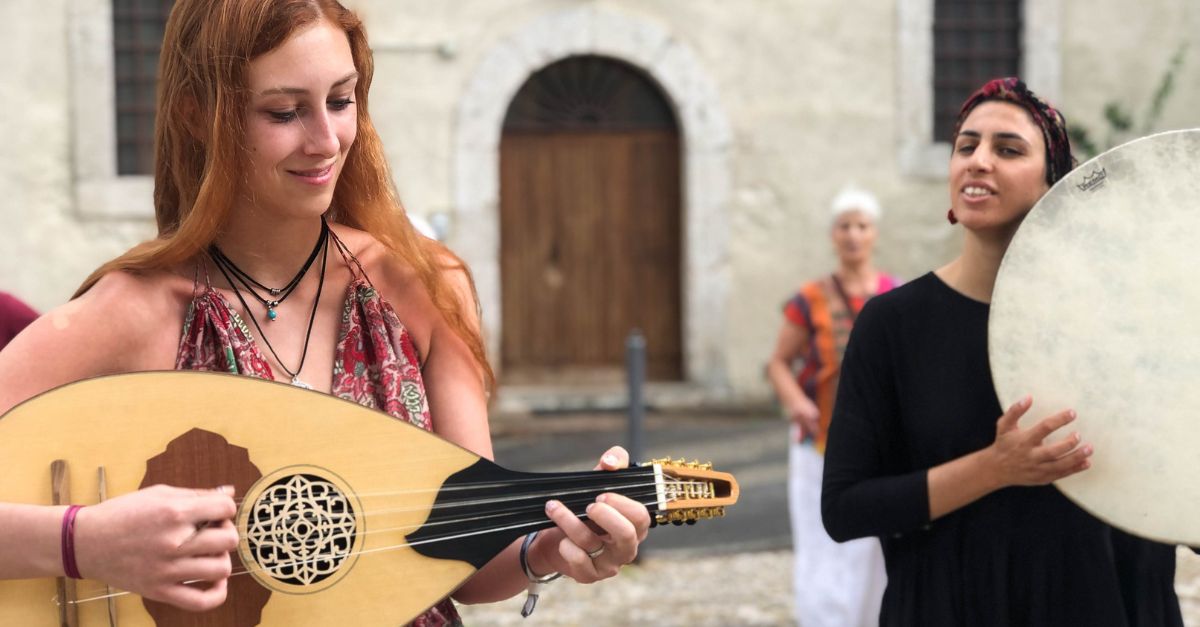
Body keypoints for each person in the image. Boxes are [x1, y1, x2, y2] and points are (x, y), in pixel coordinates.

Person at [0, 0, 649, 621]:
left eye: (341, 101)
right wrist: (80, 542)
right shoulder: (134, 312)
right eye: (284, 111)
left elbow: (468, 560)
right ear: (199, 115)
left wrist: (550, 547)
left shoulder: (426, 284)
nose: (326, 140)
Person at [820, 77, 1186, 626]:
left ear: (1053, 182)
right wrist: (995, 468)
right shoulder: (893, 323)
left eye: (1008, 149)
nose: (979, 161)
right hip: (953, 606)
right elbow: (846, 509)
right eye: (966, 146)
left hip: (1111, 601)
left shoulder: (1128, 313)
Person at [766, 187, 897, 627]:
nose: (853, 235)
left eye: (862, 226)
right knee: (822, 539)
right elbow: (778, 363)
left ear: (874, 234)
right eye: (845, 226)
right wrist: (797, 402)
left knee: (875, 542)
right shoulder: (809, 299)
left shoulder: (896, 294)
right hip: (818, 440)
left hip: (878, 442)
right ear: (833, 235)